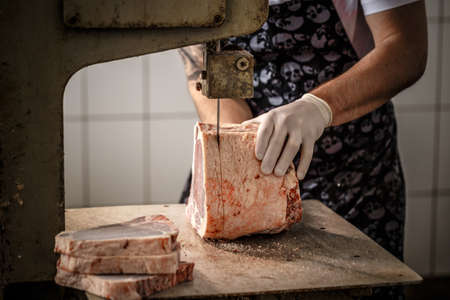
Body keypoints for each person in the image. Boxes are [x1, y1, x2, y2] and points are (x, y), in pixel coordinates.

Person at [178, 0, 427, 298]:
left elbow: (406, 49)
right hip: (239, 168)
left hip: (349, 177)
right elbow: (198, 57)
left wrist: (318, 107)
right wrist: (238, 155)